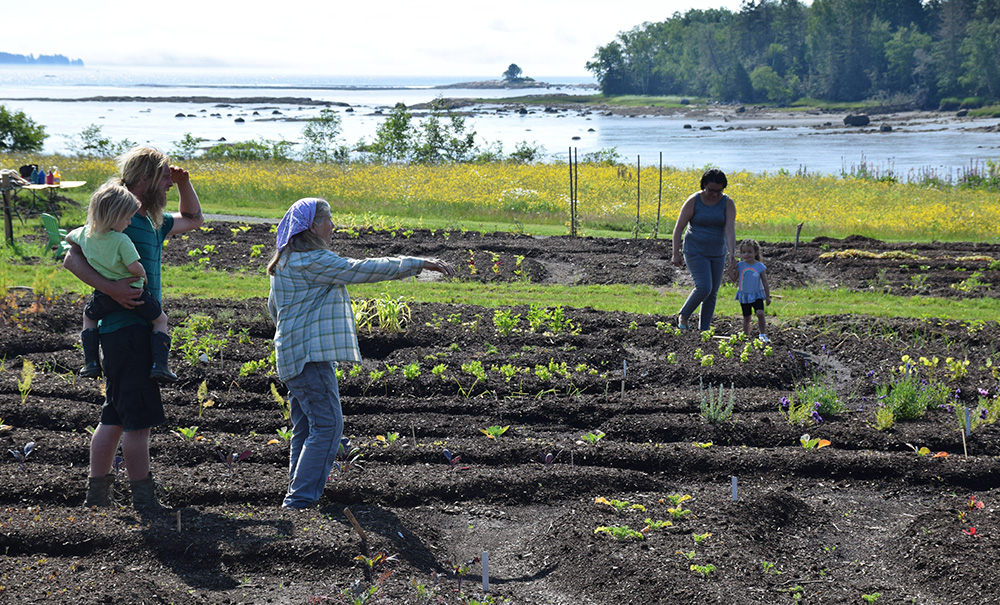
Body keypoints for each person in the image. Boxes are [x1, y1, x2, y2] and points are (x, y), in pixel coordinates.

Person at [267, 198, 454, 509]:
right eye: (329, 220)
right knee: (328, 427)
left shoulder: (286, 261)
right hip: (309, 359)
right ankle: (299, 502)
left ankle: (297, 496)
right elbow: (362, 269)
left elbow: (274, 309)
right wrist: (418, 263)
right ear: (313, 226)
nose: (333, 226)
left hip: (292, 355)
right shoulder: (312, 261)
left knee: (307, 427)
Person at [63, 145, 203, 511]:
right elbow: (70, 255)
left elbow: (194, 217)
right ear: (145, 180)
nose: (168, 184)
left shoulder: (154, 221)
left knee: (115, 414)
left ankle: (97, 497)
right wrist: (111, 288)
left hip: (116, 331)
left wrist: (186, 182)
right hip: (130, 329)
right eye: (164, 178)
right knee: (138, 421)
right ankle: (144, 498)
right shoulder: (117, 218)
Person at [67, 182, 176, 383]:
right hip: (135, 293)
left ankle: (90, 362)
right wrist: (143, 276)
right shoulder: (121, 240)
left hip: (104, 297)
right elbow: (134, 266)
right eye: (126, 218)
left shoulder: (84, 234)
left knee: (89, 317)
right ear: (115, 217)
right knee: (160, 320)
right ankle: (160, 365)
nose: (129, 222)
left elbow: (68, 238)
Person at [671, 168, 737, 331]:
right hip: (695, 250)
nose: (715, 194)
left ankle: (704, 330)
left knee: (712, 292)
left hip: (717, 252)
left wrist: (732, 255)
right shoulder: (694, 201)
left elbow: (729, 229)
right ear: (703, 186)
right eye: (711, 190)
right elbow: (679, 228)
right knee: (704, 287)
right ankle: (684, 315)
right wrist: (675, 253)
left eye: (719, 191)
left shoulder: (727, 203)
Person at [734, 238, 771, 342]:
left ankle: (762, 334)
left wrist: (768, 296)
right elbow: (734, 278)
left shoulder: (759, 266)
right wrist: (730, 269)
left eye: (749, 252)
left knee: (760, 313)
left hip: (757, 295)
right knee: (747, 317)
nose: (747, 254)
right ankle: (746, 336)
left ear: (755, 252)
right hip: (744, 295)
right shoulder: (740, 265)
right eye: (744, 252)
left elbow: (765, 282)